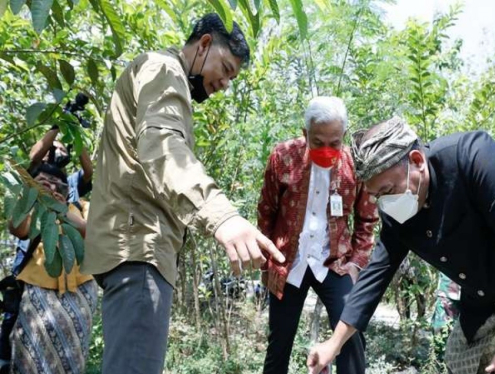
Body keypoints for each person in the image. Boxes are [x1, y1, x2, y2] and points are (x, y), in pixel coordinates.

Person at [307, 117, 495, 374]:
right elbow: (377, 273)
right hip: (494, 285)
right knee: (462, 359)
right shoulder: (398, 210)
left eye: (387, 190)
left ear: (417, 162)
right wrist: (334, 344)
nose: (383, 202)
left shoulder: (474, 157)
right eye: (375, 195)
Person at [81, 13, 284, 373]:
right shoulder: (163, 69)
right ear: (204, 43)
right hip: (140, 248)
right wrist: (221, 215)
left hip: (133, 247)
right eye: (225, 68)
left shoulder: (153, 73)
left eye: (232, 77)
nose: (223, 83)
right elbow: (161, 145)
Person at [258, 97, 378, 374]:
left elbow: (367, 219)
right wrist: (267, 263)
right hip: (288, 262)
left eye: (334, 143)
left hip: (335, 263)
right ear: (305, 134)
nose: (326, 149)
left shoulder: (355, 166)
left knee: (351, 335)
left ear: (343, 136)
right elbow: (266, 211)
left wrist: (356, 263)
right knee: (279, 343)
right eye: (318, 142)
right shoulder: (283, 157)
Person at [0, 125, 94, 371]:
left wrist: (60, 207)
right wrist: (34, 194)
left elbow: (93, 232)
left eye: (57, 184)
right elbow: (17, 228)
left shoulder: (79, 204)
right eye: (45, 184)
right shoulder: (34, 207)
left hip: (80, 287)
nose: (52, 188)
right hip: (36, 284)